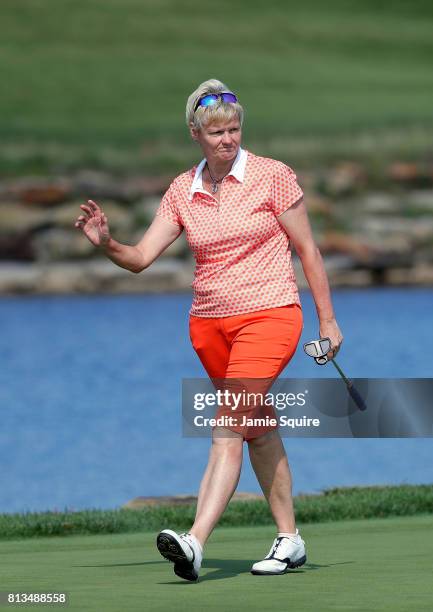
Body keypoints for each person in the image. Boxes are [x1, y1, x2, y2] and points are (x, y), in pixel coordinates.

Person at [74, 78, 343, 581]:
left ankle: (195, 542)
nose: (228, 140)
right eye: (217, 132)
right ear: (196, 135)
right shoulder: (183, 189)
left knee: (226, 426)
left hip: (271, 315)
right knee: (256, 428)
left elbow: (308, 251)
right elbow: (139, 258)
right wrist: (107, 243)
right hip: (208, 329)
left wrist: (328, 320)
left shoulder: (272, 176)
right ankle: (290, 540)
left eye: (235, 129)